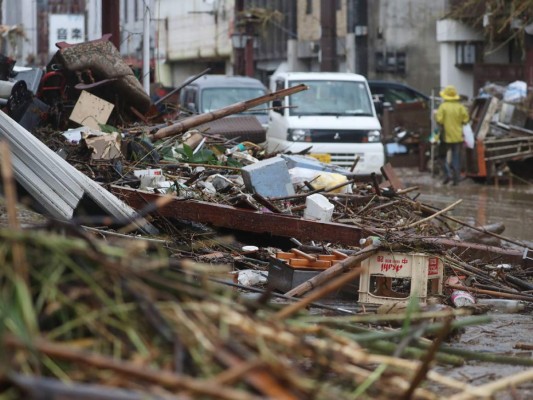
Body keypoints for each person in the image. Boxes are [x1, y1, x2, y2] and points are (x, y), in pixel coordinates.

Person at [435, 85, 469, 185]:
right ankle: (456, 179)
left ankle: (448, 174)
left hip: (445, 136)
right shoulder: (460, 107)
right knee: (456, 157)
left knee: (441, 157)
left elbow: (439, 120)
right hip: (458, 136)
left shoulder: (443, 107)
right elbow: (465, 120)